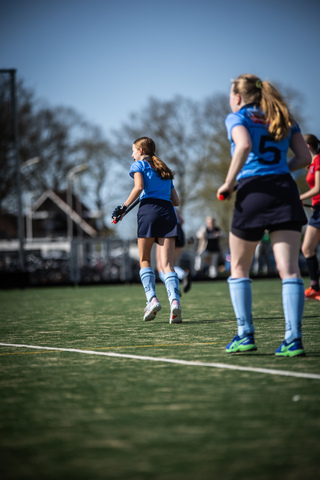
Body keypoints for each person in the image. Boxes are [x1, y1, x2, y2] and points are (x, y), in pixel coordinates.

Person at [217, 73, 311, 357]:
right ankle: (293, 339)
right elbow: (305, 158)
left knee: (239, 268)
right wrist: (281, 171)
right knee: (290, 269)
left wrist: (229, 182)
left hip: (253, 191)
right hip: (285, 189)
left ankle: (245, 334)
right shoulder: (283, 116)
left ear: (237, 97)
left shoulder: (238, 117)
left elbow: (243, 145)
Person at [112, 136, 182, 324]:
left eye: (133, 150)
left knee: (144, 259)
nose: (132, 154)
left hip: (148, 211)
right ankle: (175, 302)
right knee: (167, 265)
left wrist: (123, 207)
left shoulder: (138, 166)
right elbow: (176, 201)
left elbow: (139, 187)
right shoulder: (165, 170)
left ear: (141, 151)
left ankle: (152, 300)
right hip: (168, 213)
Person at [300, 134, 320, 300]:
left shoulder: (319, 160)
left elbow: (318, 189)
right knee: (307, 248)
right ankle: (315, 288)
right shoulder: (311, 164)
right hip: (317, 210)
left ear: (307, 146)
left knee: (308, 248)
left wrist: (298, 198)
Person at [156, 208, 192, 294]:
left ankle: (173, 288)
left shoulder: (157, 204)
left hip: (165, 231)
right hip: (179, 231)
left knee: (161, 267)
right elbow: (182, 220)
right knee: (170, 264)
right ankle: (183, 274)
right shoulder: (172, 205)